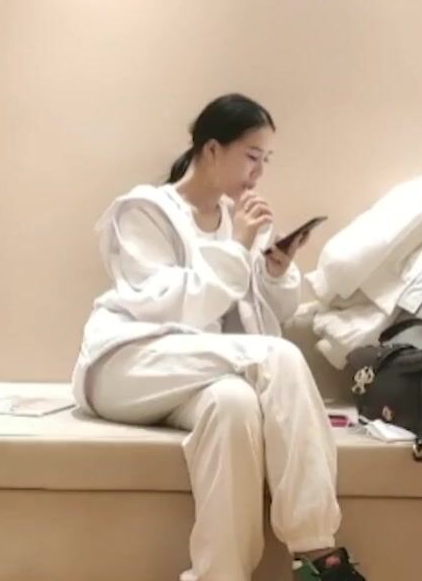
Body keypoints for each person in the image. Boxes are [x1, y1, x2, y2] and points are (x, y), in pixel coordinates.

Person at [70, 94, 366, 581]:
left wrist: (274, 274)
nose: (258, 172)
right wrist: (238, 246)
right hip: (128, 364)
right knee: (277, 358)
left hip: (196, 375)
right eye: (252, 156)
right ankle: (318, 552)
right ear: (211, 150)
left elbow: (260, 322)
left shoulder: (237, 222)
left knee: (234, 406)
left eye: (266, 160)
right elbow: (170, 307)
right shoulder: (144, 210)